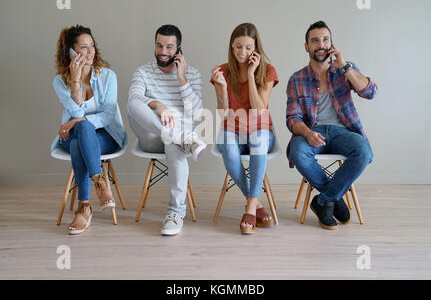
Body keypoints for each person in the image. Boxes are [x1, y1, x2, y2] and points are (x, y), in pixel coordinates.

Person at [286, 20, 377, 230]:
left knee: (363, 152)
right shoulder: (297, 79)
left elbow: (371, 93)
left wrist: (345, 67)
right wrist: (308, 133)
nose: (321, 44)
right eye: (315, 40)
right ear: (306, 46)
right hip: (312, 132)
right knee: (298, 152)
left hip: (343, 132)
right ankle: (334, 198)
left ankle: (323, 200)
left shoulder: (346, 70)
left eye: (325, 39)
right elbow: (293, 119)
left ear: (332, 44)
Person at [127, 24, 206, 236]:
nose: (163, 51)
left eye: (169, 47)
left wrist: (182, 78)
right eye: (159, 45)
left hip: (175, 136)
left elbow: (197, 113)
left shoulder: (193, 74)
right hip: (151, 135)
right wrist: (158, 106)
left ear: (179, 49)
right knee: (132, 104)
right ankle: (182, 137)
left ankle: (175, 212)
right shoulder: (143, 72)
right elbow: (135, 99)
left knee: (173, 142)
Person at [51, 25, 128, 235]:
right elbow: (75, 112)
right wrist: (75, 81)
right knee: (81, 131)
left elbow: (108, 115)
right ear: (71, 52)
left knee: (80, 136)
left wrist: (78, 122)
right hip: (71, 136)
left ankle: (84, 207)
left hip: (106, 135)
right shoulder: (60, 82)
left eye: (92, 45)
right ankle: (99, 182)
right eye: (83, 47)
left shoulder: (107, 76)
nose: (90, 51)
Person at [211, 23, 279, 235]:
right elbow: (222, 113)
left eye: (248, 48)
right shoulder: (221, 71)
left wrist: (251, 75)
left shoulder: (267, 71)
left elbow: (259, 111)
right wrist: (222, 87)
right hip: (232, 128)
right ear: (232, 46)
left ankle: (250, 207)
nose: (243, 52)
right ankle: (256, 204)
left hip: (260, 129)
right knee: (229, 150)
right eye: (239, 46)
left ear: (255, 48)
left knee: (258, 140)